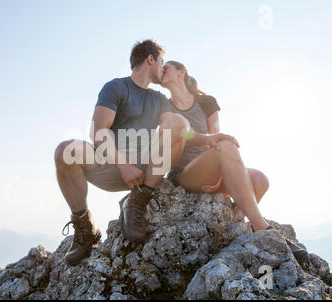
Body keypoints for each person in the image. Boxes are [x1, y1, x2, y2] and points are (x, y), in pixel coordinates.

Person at [54, 40, 237, 265]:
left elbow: (181, 132)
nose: (163, 68)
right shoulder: (116, 87)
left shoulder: (159, 100)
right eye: (161, 62)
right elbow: (99, 132)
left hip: (146, 170)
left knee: (177, 121)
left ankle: (138, 203)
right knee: (65, 151)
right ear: (151, 59)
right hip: (112, 164)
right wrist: (123, 165)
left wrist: (208, 139)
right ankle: (84, 229)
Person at [161, 60, 311, 267]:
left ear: (181, 72)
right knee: (226, 145)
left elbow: (215, 137)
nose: (161, 71)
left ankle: (237, 226)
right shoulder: (163, 106)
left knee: (260, 180)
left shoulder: (207, 103)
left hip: (211, 166)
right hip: (185, 172)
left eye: (166, 67)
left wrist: (220, 175)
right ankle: (263, 230)